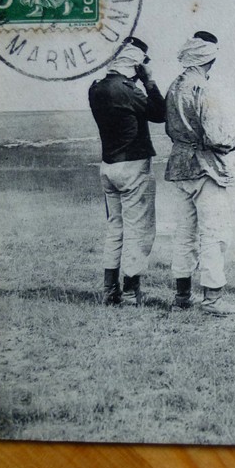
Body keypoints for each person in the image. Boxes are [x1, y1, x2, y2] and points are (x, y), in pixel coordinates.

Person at [165, 32, 235, 316]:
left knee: (184, 234)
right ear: (208, 58)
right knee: (214, 233)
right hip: (205, 168)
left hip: (178, 166)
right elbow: (215, 135)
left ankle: (182, 296)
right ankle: (212, 299)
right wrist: (233, 141)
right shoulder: (204, 89)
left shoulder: (173, 88)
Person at [88, 36, 165, 306]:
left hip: (108, 165)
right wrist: (149, 81)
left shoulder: (95, 88)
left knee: (115, 229)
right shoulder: (128, 89)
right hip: (134, 165)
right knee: (139, 230)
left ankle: (110, 291)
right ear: (136, 63)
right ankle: (131, 291)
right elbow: (160, 112)